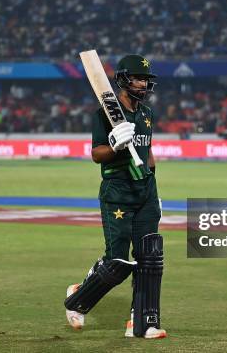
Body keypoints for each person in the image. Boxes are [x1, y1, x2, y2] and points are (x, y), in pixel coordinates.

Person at [64, 54, 166, 339]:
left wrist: (154, 186)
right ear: (123, 79)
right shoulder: (104, 113)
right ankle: (77, 299)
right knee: (117, 263)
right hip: (118, 192)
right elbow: (97, 154)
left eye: (147, 79)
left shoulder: (146, 113)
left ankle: (143, 323)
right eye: (138, 78)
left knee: (150, 258)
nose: (144, 84)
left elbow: (148, 151)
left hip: (145, 191)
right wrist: (114, 144)